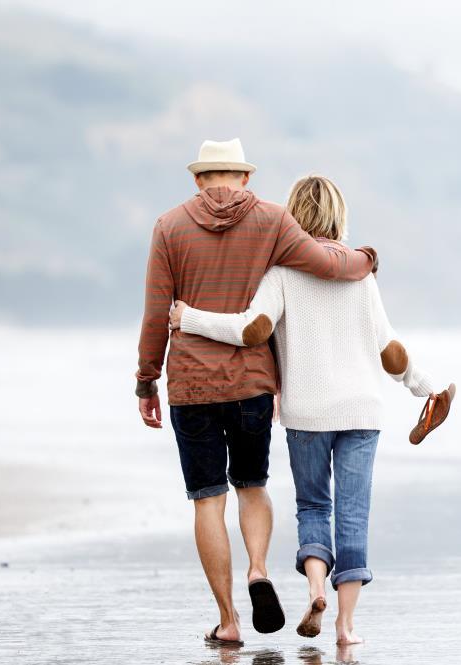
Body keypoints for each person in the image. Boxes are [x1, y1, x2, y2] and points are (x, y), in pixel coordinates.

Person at [171, 175, 456, 645]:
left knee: (314, 506)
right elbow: (390, 352)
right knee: (353, 511)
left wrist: (188, 318)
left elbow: (250, 331)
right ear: (339, 217)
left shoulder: (280, 276)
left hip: (306, 414)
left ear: (291, 219)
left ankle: (317, 590)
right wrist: (425, 387)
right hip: (361, 412)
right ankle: (345, 627)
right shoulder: (361, 277)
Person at [135, 140, 378, 646]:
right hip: (251, 384)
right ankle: (259, 570)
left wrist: (145, 380)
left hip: (190, 384)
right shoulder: (271, 220)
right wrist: (368, 258)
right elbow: (328, 265)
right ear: (243, 179)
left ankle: (228, 621)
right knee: (252, 486)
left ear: (199, 180)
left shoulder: (168, 227)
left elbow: (157, 313)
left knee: (207, 500)